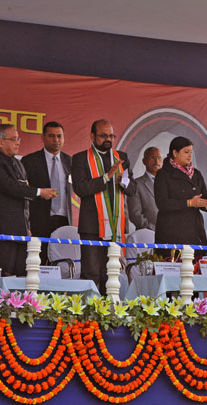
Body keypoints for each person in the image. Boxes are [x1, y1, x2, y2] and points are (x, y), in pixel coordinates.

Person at [0, 124, 56, 276]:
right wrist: (39, 192)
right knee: (2, 277)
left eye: (18, 139)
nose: (18, 142)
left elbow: (23, 199)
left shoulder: (18, 163)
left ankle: (19, 302)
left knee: (20, 276)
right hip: (0, 232)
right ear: (1, 142)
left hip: (20, 232)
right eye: (13, 139)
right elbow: (10, 187)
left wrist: (26, 225)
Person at [72, 119, 137, 294]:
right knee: (92, 272)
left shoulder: (121, 157)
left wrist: (122, 182)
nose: (108, 139)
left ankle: (110, 313)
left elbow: (133, 189)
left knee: (111, 273)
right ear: (92, 136)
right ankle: (90, 314)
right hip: (91, 226)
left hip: (116, 225)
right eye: (103, 135)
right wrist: (106, 178)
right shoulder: (80, 159)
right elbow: (80, 188)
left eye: (111, 135)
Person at [154, 136, 207, 258]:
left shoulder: (196, 174)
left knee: (195, 270)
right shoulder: (163, 174)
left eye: (191, 152)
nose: (189, 155)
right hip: (172, 232)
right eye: (186, 152)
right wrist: (189, 203)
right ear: (175, 153)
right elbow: (162, 203)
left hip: (194, 231)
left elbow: (204, 197)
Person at [22, 121, 73, 264]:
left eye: (59, 136)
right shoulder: (29, 161)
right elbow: (23, 191)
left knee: (61, 262)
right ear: (43, 138)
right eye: (51, 136)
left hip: (63, 220)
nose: (56, 140)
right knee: (36, 261)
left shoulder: (70, 161)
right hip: (39, 220)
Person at [128, 147, 162, 231]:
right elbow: (135, 215)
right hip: (147, 235)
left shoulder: (168, 183)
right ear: (144, 161)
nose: (157, 161)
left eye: (159, 158)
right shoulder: (136, 184)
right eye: (152, 158)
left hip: (169, 235)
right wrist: (153, 229)